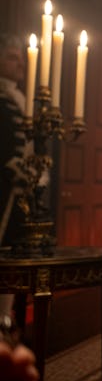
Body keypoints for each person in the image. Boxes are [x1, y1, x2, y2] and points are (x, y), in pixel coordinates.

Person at [0, 33, 28, 247]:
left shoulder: (19, 97)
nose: (20, 63)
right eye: (12, 57)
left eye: (21, 58)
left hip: (21, 190)